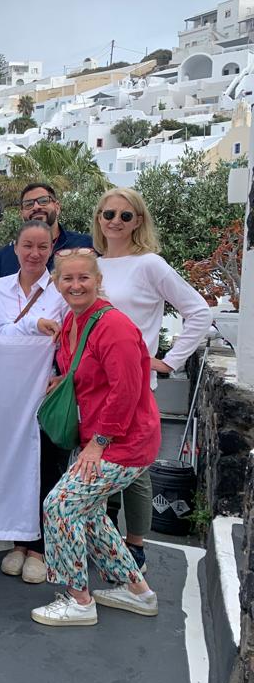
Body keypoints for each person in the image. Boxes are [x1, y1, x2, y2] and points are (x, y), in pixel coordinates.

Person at [31, 248, 160, 626]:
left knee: (60, 506)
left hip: (123, 442)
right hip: (107, 438)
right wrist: (63, 380)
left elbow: (126, 389)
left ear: (98, 281)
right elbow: (91, 374)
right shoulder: (75, 322)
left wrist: (98, 443)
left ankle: (79, 600)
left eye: (83, 277)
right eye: (67, 279)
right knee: (88, 514)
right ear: (57, 284)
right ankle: (137, 591)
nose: (76, 285)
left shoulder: (112, 325)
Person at [94, 187, 212, 571]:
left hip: (134, 383)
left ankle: (135, 550)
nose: (115, 221)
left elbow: (199, 312)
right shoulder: (94, 264)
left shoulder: (149, 264)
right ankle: (108, 540)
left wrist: (168, 362)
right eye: (108, 214)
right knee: (103, 464)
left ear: (138, 221)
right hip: (96, 383)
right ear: (98, 219)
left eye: (125, 215)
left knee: (134, 468)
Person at [0, 220, 69, 583]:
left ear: (52, 250)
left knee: (49, 465)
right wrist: (34, 326)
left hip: (47, 392)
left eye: (43, 247)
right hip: (7, 393)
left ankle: (40, 547)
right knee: (17, 465)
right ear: (15, 248)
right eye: (28, 246)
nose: (35, 254)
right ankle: (20, 541)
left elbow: (71, 339)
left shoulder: (62, 290)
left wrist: (66, 374)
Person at [0, 183, 93, 278]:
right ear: (21, 214)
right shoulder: (5, 257)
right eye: (28, 204)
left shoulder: (85, 245)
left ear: (57, 207)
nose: (36, 207)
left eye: (43, 201)